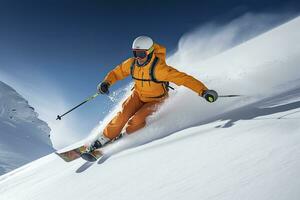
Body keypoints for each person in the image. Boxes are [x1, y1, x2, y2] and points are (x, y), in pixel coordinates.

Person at [89, 36, 218, 151]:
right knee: (122, 115)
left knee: (137, 120)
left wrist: (203, 91)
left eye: (141, 54)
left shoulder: (160, 69)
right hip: (138, 95)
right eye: (135, 53)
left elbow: (184, 79)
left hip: (156, 99)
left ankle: (126, 134)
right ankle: (104, 138)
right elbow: (117, 72)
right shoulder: (132, 64)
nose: (137, 58)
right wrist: (106, 82)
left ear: (149, 52)